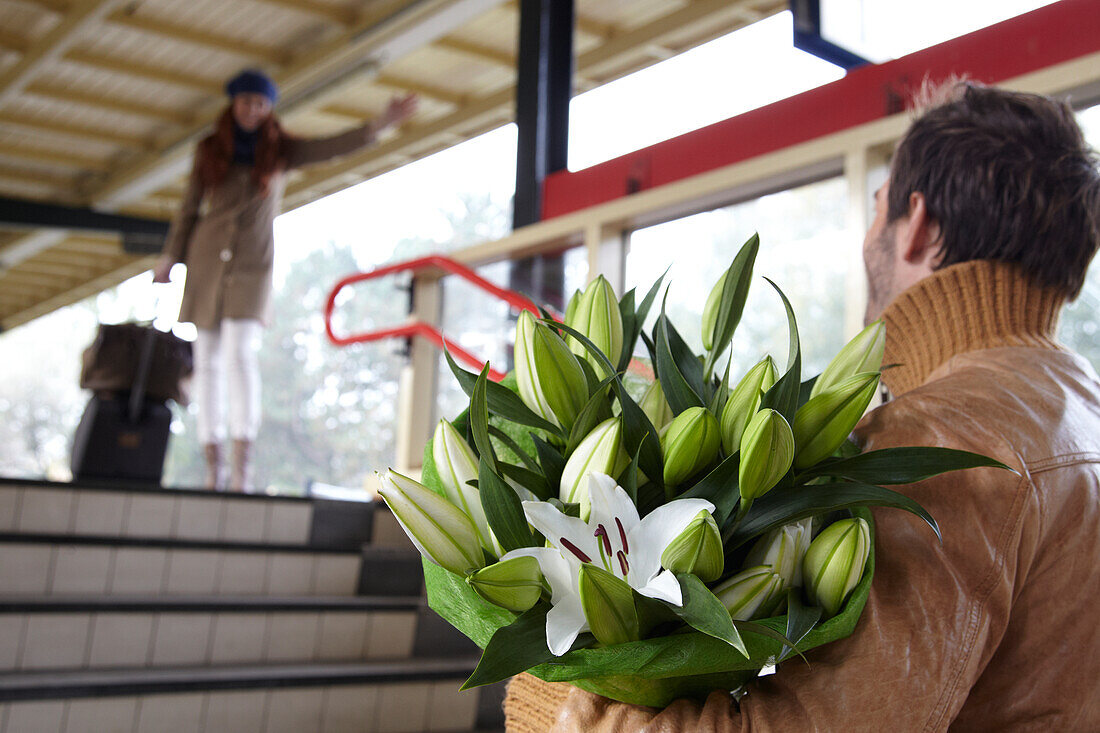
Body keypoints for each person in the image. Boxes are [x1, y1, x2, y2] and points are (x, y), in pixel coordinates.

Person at [503, 82, 1100, 731]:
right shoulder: (1080, 409)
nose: (870, 234)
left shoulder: (942, 440)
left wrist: (556, 702)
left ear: (919, 226)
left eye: (878, 208)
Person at [153, 69, 416, 491]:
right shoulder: (208, 150)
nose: (252, 110)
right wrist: (170, 258)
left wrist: (380, 124)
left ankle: (242, 465)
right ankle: (212, 464)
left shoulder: (280, 150)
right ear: (232, 103)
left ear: (270, 108)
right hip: (206, 262)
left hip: (253, 264)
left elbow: (330, 147)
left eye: (261, 103)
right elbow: (188, 208)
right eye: (245, 102)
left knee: (240, 353)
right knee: (207, 361)